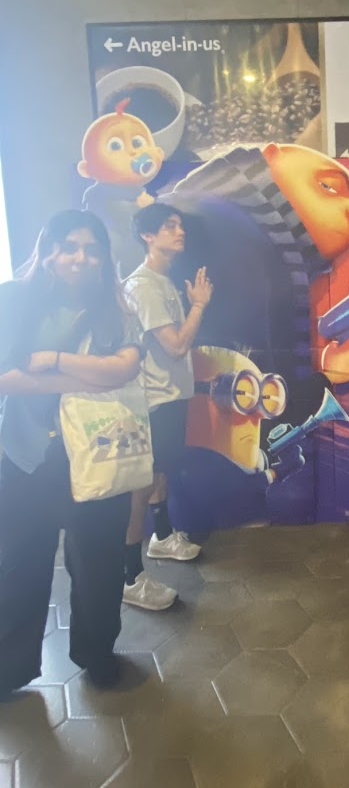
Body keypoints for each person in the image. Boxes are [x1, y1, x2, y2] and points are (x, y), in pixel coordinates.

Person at [0, 210, 143, 695]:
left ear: (104, 258)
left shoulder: (116, 310)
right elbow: (5, 377)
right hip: (24, 459)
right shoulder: (14, 300)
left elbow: (124, 369)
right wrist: (83, 377)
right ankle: (9, 667)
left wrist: (52, 363)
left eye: (92, 249)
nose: (80, 258)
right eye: (69, 247)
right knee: (17, 567)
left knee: (99, 567)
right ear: (49, 251)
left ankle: (96, 654)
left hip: (99, 460)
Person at [122, 203, 213, 611]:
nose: (180, 232)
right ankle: (130, 577)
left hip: (169, 396)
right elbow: (175, 346)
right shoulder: (143, 286)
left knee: (160, 471)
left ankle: (161, 538)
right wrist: (199, 306)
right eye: (169, 226)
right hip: (153, 401)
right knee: (140, 486)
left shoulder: (163, 281)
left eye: (180, 225)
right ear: (147, 236)